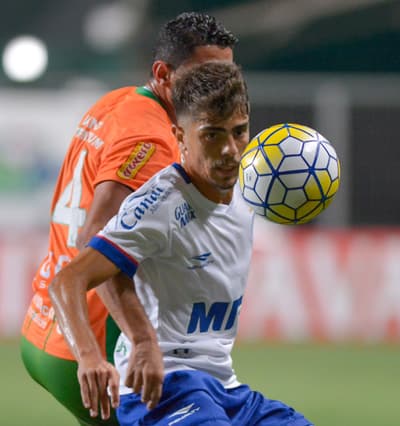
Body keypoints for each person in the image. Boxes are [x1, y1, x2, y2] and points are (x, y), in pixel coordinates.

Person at [48, 61, 313, 426]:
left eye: (239, 132)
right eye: (212, 135)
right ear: (179, 135)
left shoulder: (250, 186)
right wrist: (91, 357)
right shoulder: (160, 204)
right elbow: (67, 281)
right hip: (164, 390)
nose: (230, 150)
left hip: (225, 387)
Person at [21, 12, 237, 425]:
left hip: (45, 328)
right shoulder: (149, 138)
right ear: (164, 74)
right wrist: (139, 341)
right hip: (92, 345)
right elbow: (97, 238)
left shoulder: (119, 102)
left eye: (225, 76)